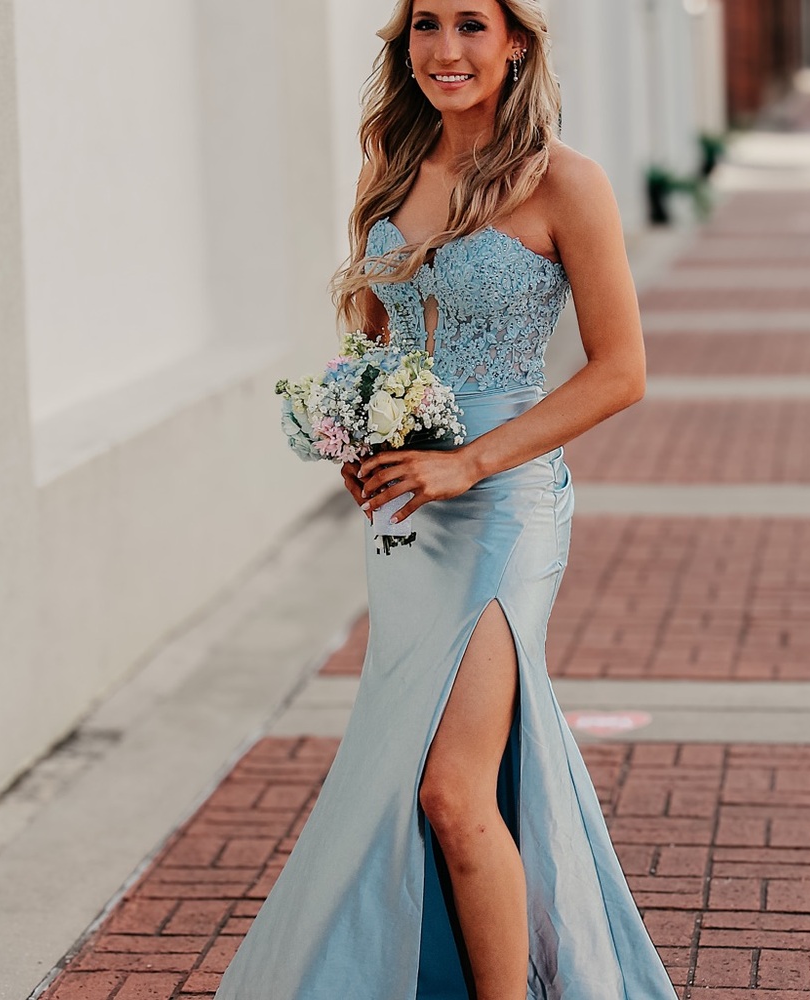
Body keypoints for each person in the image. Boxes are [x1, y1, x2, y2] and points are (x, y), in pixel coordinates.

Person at [215, 1, 678, 997]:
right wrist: (358, 438)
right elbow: (374, 340)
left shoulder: (565, 181)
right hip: (406, 517)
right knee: (415, 775)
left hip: (506, 507)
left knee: (453, 792)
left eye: (473, 24)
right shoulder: (390, 169)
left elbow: (621, 371)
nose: (446, 49)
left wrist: (469, 464)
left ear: (517, 42)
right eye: (427, 24)